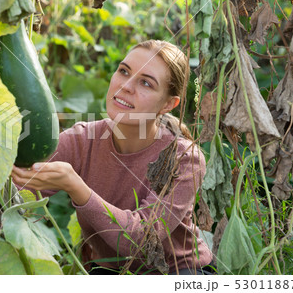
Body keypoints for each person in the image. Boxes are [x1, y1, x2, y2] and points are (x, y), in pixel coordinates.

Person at [11, 40, 213, 275]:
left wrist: (77, 188)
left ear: (168, 104)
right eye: (124, 71)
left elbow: (143, 242)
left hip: (178, 273)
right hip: (108, 272)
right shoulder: (81, 139)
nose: (126, 86)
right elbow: (17, 190)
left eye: (146, 83)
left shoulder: (185, 158)